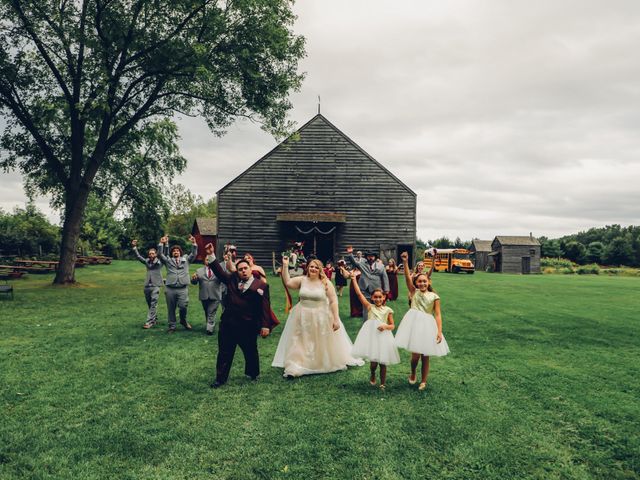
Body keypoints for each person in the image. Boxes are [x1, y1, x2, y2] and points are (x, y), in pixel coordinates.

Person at [272, 256, 364, 377]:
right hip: (302, 315)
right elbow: (288, 282)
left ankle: (319, 362)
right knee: (299, 341)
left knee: (319, 341)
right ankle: (296, 365)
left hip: (321, 316)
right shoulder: (302, 280)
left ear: (320, 269)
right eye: (311, 267)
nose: (313, 269)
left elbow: (333, 301)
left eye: (316, 267)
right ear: (308, 268)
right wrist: (285, 265)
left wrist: (336, 319)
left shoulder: (325, 283)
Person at [208, 252, 276, 388]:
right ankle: (220, 378)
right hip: (228, 324)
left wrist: (265, 326)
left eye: (245, 268)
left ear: (251, 269)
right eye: (240, 269)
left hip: (248, 326)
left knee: (250, 351)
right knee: (224, 352)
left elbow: (265, 307)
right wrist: (211, 256)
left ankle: (253, 373)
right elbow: (221, 274)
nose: (243, 271)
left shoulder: (261, 286)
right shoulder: (232, 280)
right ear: (237, 272)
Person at [395, 251, 449, 390]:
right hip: (415, 324)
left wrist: (439, 331)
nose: (423, 283)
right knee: (415, 356)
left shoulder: (434, 296)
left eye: (425, 281)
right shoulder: (414, 292)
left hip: (428, 326)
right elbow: (407, 277)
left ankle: (423, 381)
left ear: (428, 281)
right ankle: (413, 372)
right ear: (416, 283)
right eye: (420, 281)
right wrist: (406, 262)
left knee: (426, 355)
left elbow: (437, 315)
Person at [350, 272, 400, 389]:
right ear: (372, 298)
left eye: (380, 297)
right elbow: (359, 294)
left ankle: (382, 383)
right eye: (375, 297)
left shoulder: (388, 310)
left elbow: (392, 325)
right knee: (373, 363)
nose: (378, 299)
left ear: (384, 298)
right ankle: (372, 373)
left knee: (383, 362)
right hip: (372, 335)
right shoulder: (369, 307)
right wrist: (353, 279)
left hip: (383, 336)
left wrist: (385, 327)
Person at [158, 235, 198, 333]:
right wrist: (161, 243)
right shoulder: (168, 261)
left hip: (183, 288)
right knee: (171, 308)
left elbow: (194, 253)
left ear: (180, 252)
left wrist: (194, 243)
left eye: (178, 251)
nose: (176, 252)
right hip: (170, 288)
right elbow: (160, 254)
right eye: (174, 251)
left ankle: (183, 321)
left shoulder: (186, 260)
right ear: (172, 253)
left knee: (183, 306)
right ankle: (172, 326)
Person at [345, 246, 390, 321]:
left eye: (372, 256)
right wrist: (350, 253)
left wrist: (386, 289)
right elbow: (354, 262)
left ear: (375, 257)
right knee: (366, 309)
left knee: (378, 307)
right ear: (366, 257)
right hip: (364, 289)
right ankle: (366, 324)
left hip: (377, 289)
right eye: (369, 256)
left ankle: (378, 322)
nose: (371, 258)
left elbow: (385, 277)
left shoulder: (381, 266)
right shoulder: (362, 264)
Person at [191, 243, 225, 335]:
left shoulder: (218, 270)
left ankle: (209, 329)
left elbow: (222, 278)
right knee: (207, 311)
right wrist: (193, 279)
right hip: (204, 295)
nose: (208, 261)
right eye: (206, 259)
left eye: (209, 259)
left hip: (215, 294)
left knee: (211, 312)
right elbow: (194, 282)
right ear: (204, 261)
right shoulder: (199, 271)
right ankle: (209, 324)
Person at [131, 239, 164, 329]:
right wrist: (134, 247)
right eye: (150, 254)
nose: (151, 255)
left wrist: (162, 243)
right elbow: (138, 257)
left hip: (156, 285)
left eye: (153, 253)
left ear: (156, 254)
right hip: (147, 286)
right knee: (150, 304)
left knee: (153, 303)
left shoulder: (159, 262)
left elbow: (161, 254)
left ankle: (149, 322)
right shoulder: (146, 261)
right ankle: (154, 319)